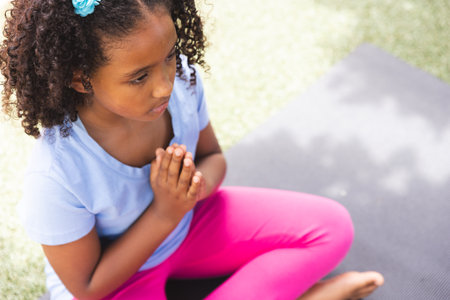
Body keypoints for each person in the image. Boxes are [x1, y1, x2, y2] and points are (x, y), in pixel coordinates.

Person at [0, 0, 384, 299]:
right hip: (117, 280)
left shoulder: (183, 82)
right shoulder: (57, 175)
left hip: (190, 225)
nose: (165, 84)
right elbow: (87, 285)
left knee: (331, 229)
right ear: (81, 79)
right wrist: (166, 212)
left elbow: (213, 158)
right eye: (139, 77)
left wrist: (192, 189)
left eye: (168, 55)